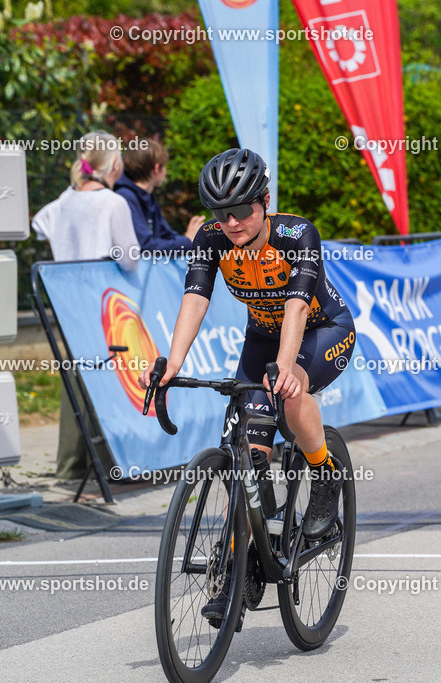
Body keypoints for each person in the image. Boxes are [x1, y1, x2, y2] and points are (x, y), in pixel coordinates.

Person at [139, 148, 355, 619]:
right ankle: (245, 564)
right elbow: (195, 296)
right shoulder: (211, 239)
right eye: (221, 212)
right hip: (261, 336)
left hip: (322, 330)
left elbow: (298, 307)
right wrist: (172, 363)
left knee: (291, 391)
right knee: (246, 454)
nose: (231, 222)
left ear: (265, 201)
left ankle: (324, 471)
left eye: (241, 210)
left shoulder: (298, 235)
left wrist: (285, 369)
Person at [32, 130, 138, 481]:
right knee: (110, 378)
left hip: (67, 301)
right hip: (104, 301)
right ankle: (112, 462)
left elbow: (39, 223)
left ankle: (69, 466)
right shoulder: (112, 203)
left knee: (75, 378)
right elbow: (130, 259)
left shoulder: (65, 200)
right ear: (114, 164)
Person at [114, 138, 205, 255]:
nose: (166, 172)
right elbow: (146, 246)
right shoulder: (126, 197)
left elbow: (165, 236)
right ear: (156, 169)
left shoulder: (146, 197)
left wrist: (191, 240)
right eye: (165, 167)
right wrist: (187, 241)